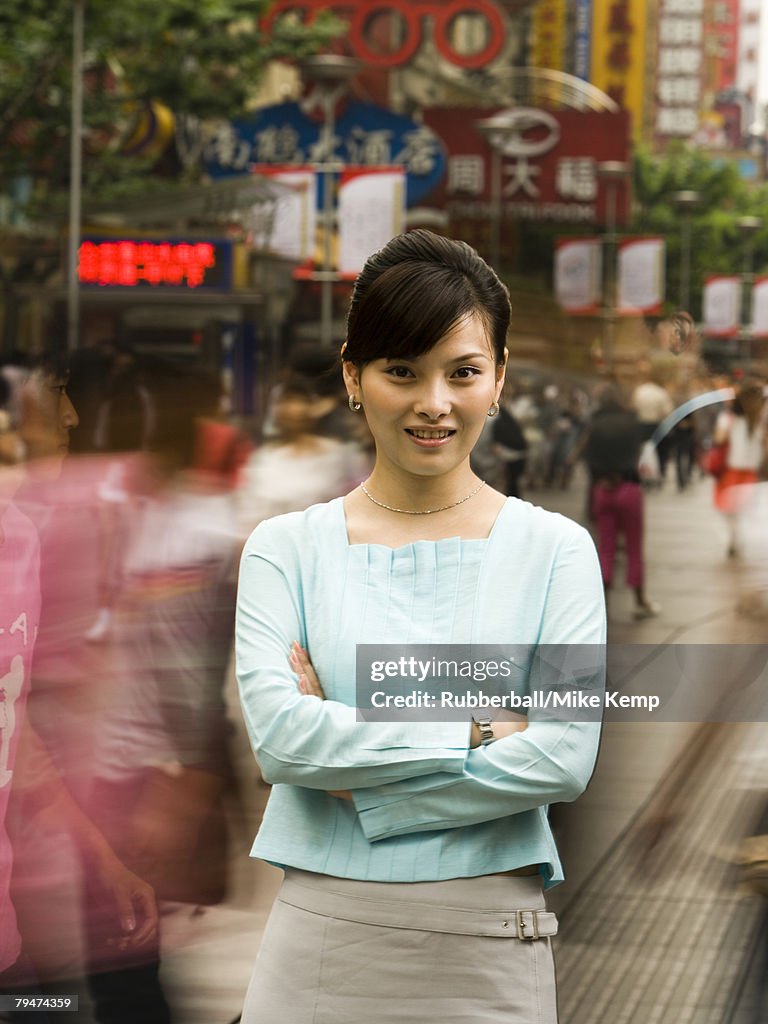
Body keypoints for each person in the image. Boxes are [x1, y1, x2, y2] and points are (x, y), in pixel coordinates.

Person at [235, 230, 606, 1024]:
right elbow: (281, 740)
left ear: (499, 378)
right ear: (353, 376)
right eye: (402, 370)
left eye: (463, 372)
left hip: (489, 952)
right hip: (320, 953)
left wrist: (354, 780)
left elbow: (565, 760)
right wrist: (475, 730)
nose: (434, 402)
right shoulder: (284, 549)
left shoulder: (558, 552)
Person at [581, 386, 660, 620]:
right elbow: (640, 451)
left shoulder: (594, 424)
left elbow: (588, 456)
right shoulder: (632, 422)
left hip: (603, 491)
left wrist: (602, 476)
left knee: (606, 548)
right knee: (634, 547)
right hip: (628, 489)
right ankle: (640, 601)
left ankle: (603, 603)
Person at [712, 378, 767, 558]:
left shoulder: (728, 417)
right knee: (742, 507)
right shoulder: (761, 416)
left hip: (733, 468)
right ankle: (738, 535)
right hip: (752, 469)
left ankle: (734, 535)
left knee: (727, 508)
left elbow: (719, 439)